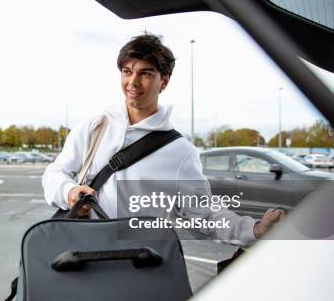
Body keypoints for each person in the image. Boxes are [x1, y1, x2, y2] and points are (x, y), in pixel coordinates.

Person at [42, 33, 284, 245]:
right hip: (82, 250)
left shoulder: (180, 151)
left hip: (135, 264)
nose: (133, 82)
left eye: (145, 73)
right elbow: (55, 173)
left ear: (164, 81)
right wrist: (69, 191)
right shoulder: (95, 126)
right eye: (127, 72)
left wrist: (254, 230)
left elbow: (206, 215)